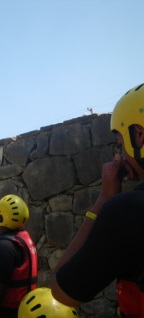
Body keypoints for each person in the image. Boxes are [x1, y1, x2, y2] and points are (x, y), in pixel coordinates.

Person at [50, 83, 144, 317]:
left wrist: (104, 199)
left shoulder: (128, 211)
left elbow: (62, 291)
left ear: (139, 134)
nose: (120, 154)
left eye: (121, 144)